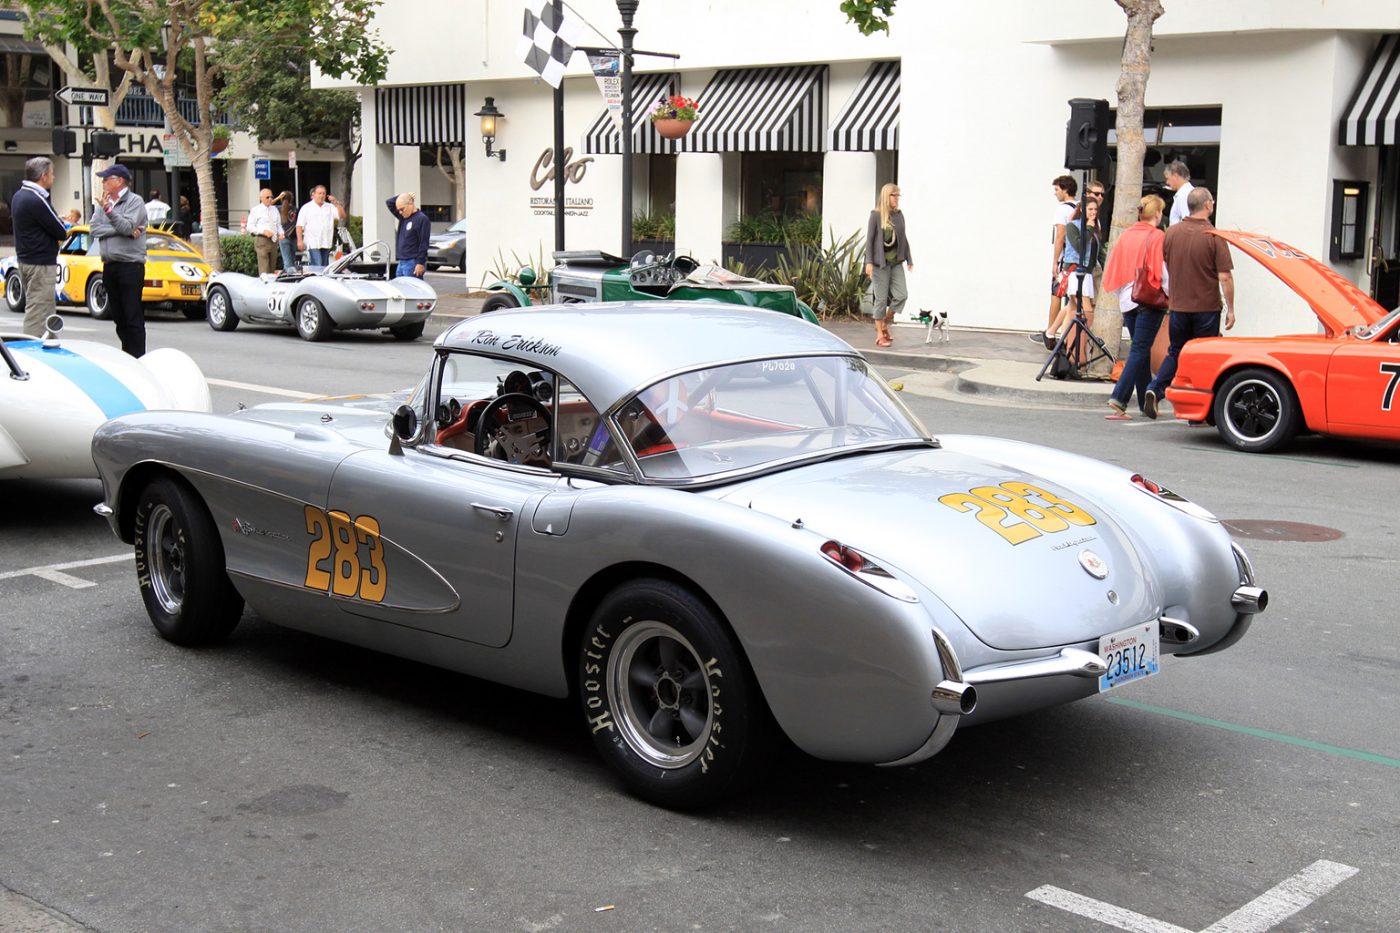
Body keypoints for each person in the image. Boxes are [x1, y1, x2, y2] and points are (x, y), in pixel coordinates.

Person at [1143, 187, 1234, 420]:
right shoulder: (1213, 236)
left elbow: (1165, 263)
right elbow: (1225, 276)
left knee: (1176, 352)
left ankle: (1155, 389)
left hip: (1179, 307)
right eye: (1211, 201)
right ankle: (1198, 411)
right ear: (1207, 206)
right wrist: (1231, 309)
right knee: (1203, 358)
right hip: (1206, 308)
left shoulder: (1172, 233)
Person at [1101, 194, 1169, 419]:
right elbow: (1162, 271)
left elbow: (1115, 268)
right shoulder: (1157, 236)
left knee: (1141, 349)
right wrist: (1170, 294)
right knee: (1140, 349)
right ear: (1157, 213)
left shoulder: (1127, 235)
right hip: (1149, 298)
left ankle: (1143, 402)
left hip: (1128, 299)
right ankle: (1119, 398)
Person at [88, 164, 149, 357]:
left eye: (106, 179)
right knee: (119, 317)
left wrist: (110, 212)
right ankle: (127, 354)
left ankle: (138, 357)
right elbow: (94, 229)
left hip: (130, 266)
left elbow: (127, 225)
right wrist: (124, 230)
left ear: (119, 180)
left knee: (132, 315)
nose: (103, 183)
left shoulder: (134, 201)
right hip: (110, 265)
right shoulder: (103, 203)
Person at [11, 156, 70, 337]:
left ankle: (49, 344)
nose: (54, 177)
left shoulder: (19, 196)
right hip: (40, 263)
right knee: (38, 311)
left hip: (27, 259)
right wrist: (64, 224)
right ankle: (31, 349)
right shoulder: (36, 199)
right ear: (43, 176)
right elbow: (60, 231)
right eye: (52, 174)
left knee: (45, 310)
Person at [1038, 197, 1103, 356]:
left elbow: (1096, 250)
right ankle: (1072, 345)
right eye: (1090, 209)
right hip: (1075, 271)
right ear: (1082, 210)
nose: (1093, 213)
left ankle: (1054, 334)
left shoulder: (1095, 226)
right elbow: (1079, 246)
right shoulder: (1073, 226)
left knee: (1073, 308)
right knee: (1086, 309)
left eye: (1095, 210)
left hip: (1088, 272)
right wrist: (1088, 228)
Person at [863, 183, 913, 348]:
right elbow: (869, 241)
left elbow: (903, 238)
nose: (897, 199)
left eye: (898, 195)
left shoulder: (899, 215)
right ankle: (879, 334)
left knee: (902, 295)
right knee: (881, 298)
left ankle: (884, 320)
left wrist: (909, 259)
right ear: (887, 197)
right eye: (895, 195)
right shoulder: (876, 215)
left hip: (896, 262)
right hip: (880, 264)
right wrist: (868, 263)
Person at [1034, 175, 1078, 342]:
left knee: (1056, 294)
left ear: (1065, 190)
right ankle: (1064, 333)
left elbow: (1060, 235)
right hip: (1077, 260)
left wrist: (1054, 262)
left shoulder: (1062, 209)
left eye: (1057, 189)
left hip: (1065, 260)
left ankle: (1050, 332)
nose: (1055, 193)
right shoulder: (1081, 207)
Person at [295, 185, 345, 267]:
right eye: (319, 193)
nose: (321, 196)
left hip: (326, 241)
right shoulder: (306, 208)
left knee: (324, 265)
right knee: (317, 264)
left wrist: (336, 203)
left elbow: (342, 216)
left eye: (323, 194)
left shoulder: (329, 207)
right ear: (314, 194)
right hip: (313, 242)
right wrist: (300, 241)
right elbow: (299, 225)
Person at [386, 192, 430, 278]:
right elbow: (389, 202)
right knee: (401, 289)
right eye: (399, 210)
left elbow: (424, 243)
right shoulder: (403, 217)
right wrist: (404, 195)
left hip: (412, 262)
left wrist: (420, 263)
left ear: (411, 204)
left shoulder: (422, 219)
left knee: (412, 289)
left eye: (402, 209)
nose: (400, 212)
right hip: (401, 262)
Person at [247, 188, 283, 275]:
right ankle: (264, 284)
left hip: (274, 240)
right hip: (262, 240)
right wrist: (263, 231)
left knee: (272, 267)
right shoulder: (256, 210)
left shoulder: (274, 210)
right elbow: (250, 227)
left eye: (271, 197)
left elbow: (278, 225)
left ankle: (270, 286)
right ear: (261, 198)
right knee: (264, 267)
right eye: (267, 197)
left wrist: (281, 233)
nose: (270, 199)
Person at [1164, 160, 1195, 226]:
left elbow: (1186, 222)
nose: (1167, 182)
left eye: (1167, 178)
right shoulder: (1192, 192)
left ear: (1175, 176)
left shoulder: (1183, 196)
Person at [274, 190, 298, 272]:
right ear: (292, 199)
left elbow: (267, 205)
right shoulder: (295, 209)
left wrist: (278, 197)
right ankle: (290, 276)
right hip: (294, 237)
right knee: (292, 261)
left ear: (282, 199)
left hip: (283, 237)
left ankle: (288, 277)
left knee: (287, 262)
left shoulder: (278, 209)